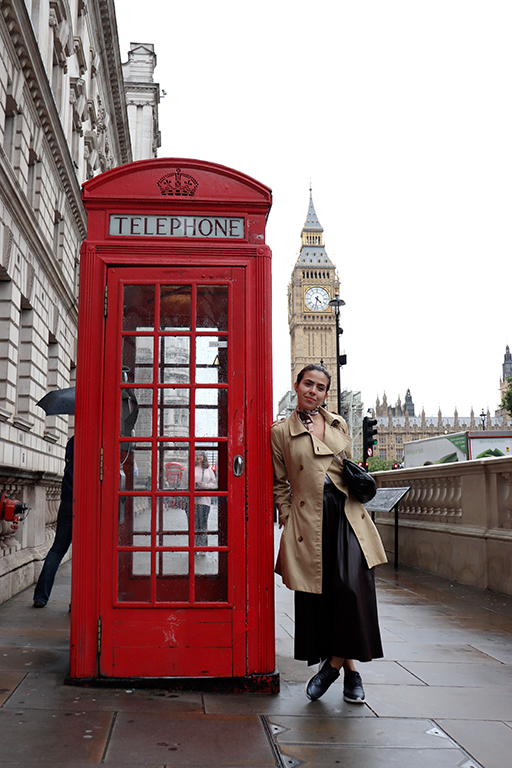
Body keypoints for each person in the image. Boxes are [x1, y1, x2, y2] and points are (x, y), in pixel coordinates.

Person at [271, 364, 387, 704]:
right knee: (324, 598)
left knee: (352, 590)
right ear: (297, 386)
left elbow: (348, 469)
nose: (313, 391)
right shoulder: (281, 432)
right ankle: (352, 672)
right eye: (308, 384)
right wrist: (287, 515)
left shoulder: (338, 423)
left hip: (346, 513)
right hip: (309, 520)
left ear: (326, 393)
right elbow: (280, 483)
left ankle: (331, 667)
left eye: (320, 387)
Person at [33, 436, 74, 607]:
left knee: (57, 550)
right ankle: (78, 603)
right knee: (85, 554)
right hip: (86, 503)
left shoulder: (72, 441)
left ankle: (40, 597)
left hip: (67, 502)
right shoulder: (94, 440)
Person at [194, 451, 217, 548]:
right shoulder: (190, 469)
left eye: (200, 455)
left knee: (203, 524)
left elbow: (215, 484)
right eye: (196, 455)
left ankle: (203, 547)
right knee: (194, 525)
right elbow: (183, 485)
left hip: (205, 501)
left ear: (204, 457)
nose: (198, 457)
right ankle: (194, 546)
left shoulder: (208, 470)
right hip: (193, 501)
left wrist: (205, 485)